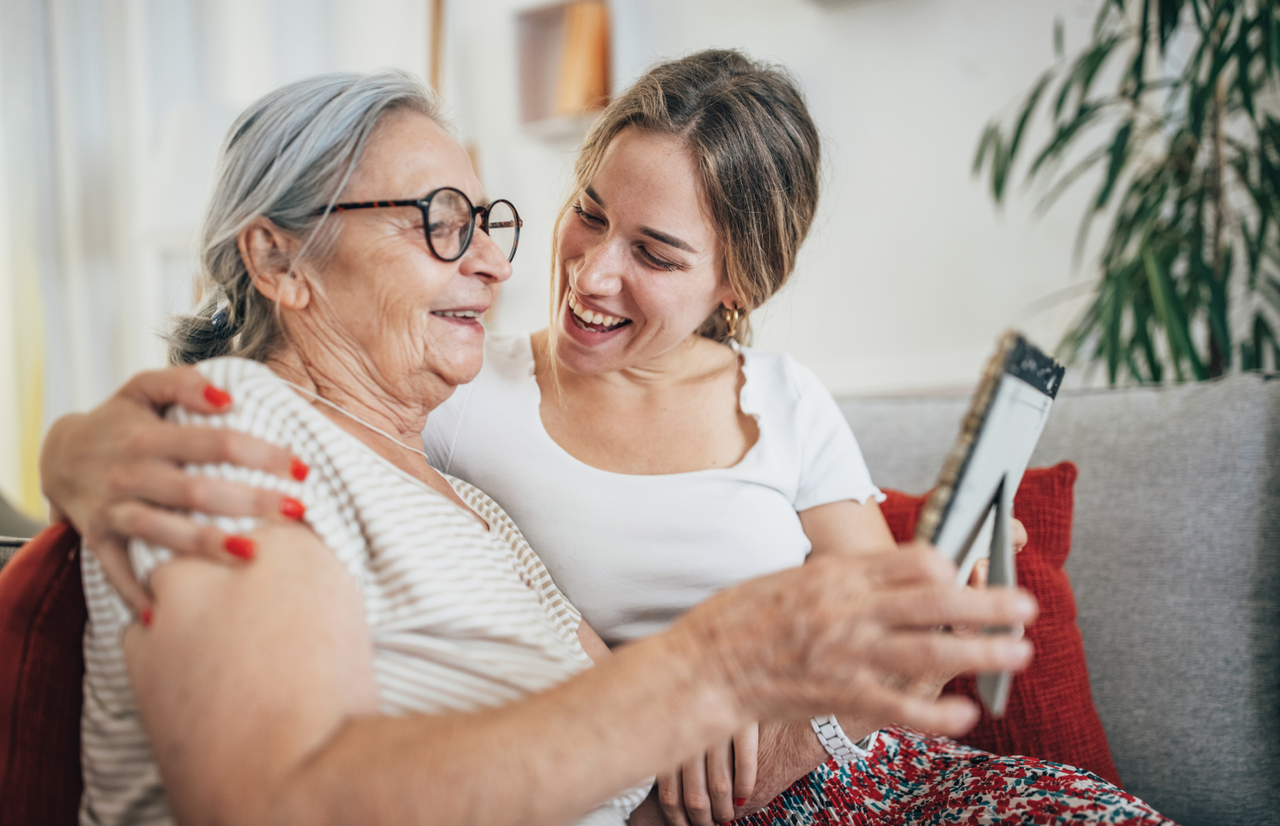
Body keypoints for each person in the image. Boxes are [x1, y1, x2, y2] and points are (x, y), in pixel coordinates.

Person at [41, 57, 1174, 825]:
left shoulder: (466, 499)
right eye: (440, 223)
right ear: (280, 261)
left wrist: (809, 685)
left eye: (484, 221)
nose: (506, 263)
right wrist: (70, 450)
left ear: (734, 282)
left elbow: (769, 694)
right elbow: (272, 794)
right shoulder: (263, 432)